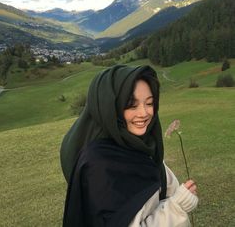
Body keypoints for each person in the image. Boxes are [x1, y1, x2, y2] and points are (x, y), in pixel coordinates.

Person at [60, 65, 198, 227]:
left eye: (149, 103)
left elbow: (160, 186)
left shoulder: (141, 144)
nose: (144, 113)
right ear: (110, 108)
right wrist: (177, 207)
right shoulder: (99, 166)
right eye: (132, 105)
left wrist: (179, 196)